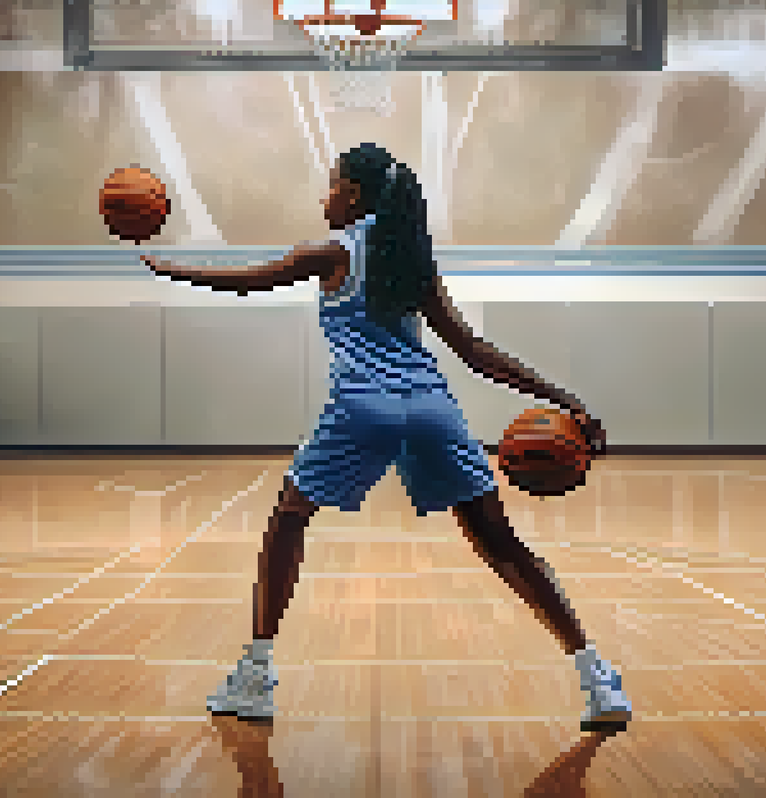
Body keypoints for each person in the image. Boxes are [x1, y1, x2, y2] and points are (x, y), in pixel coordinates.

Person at [141, 143, 631, 734]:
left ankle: (255, 674)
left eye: (331, 186)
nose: (324, 197)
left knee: (289, 518)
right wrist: (560, 397)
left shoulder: (331, 252)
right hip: (432, 409)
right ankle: (596, 676)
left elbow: (249, 282)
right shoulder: (411, 261)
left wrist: (171, 268)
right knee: (501, 546)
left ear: (354, 195)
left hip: (361, 408)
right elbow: (474, 352)